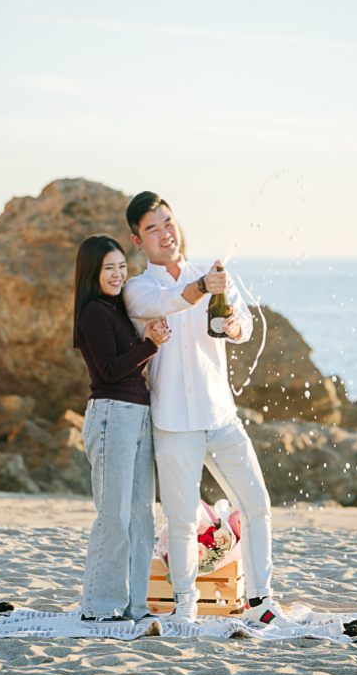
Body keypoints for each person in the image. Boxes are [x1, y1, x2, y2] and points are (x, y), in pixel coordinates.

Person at [123, 192, 294, 628]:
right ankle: (185, 606)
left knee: (257, 503)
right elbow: (166, 304)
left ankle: (260, 600)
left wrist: (235, 324)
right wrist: (201, 290)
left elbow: (243, 324)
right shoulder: (139, 288)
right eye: (152, 229)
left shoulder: (214, 273)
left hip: (221, 415)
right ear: (138, 241)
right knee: (180, 521)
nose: (165, 234)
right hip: (174, 422)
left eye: (168, 222)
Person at [73, 234, 170, 622]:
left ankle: (136, 605)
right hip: (112, 414)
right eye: (108, 268)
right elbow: (111, 370)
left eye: (121, 267)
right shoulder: (94, 312)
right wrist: (149, 345)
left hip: (138, 414)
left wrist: (147, 339)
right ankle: (100, 607)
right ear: (92, 273)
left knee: (142, 514)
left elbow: (129, 363)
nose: (117, 275)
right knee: (114, 515)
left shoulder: (116, 311)